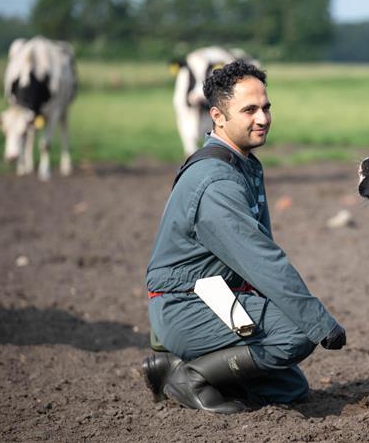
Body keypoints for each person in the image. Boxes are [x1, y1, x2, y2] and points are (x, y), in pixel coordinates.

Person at [141, 60, 346, 413]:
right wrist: (318, 321)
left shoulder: (239, 165)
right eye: (249, 110)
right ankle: (190, 377)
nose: (263, 118)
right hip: (186, 304)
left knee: (290, 387)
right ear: (218, 116)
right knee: (296, 334)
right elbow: (261, 259)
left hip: (211, 298)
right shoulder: (217, 182)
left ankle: (172, 365)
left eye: (266, 107)